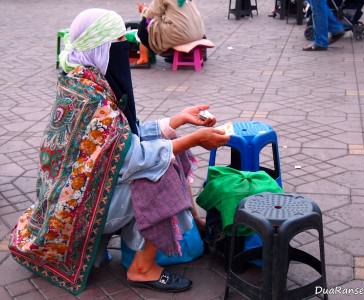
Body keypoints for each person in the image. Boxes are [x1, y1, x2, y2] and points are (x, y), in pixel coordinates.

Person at [8, 8, 229, 295]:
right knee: (163, 171)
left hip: (72, 200)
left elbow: (122, 139)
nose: (126, 50)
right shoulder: (94, 99)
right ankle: (142, 267)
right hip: (78, 212)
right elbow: (133, 159)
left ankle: (175, 232)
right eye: (119, 43)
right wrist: (194, 140)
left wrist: (177, 121)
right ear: (101, 47)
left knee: (164, 156)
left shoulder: (83, 79)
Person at [134, 0, 206, 66]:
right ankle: (175, 53)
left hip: (182, 35)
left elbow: (151, 13)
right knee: (167, 22)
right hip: (198, 33)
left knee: (144, 24)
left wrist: (143, 9)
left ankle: (146, 58)